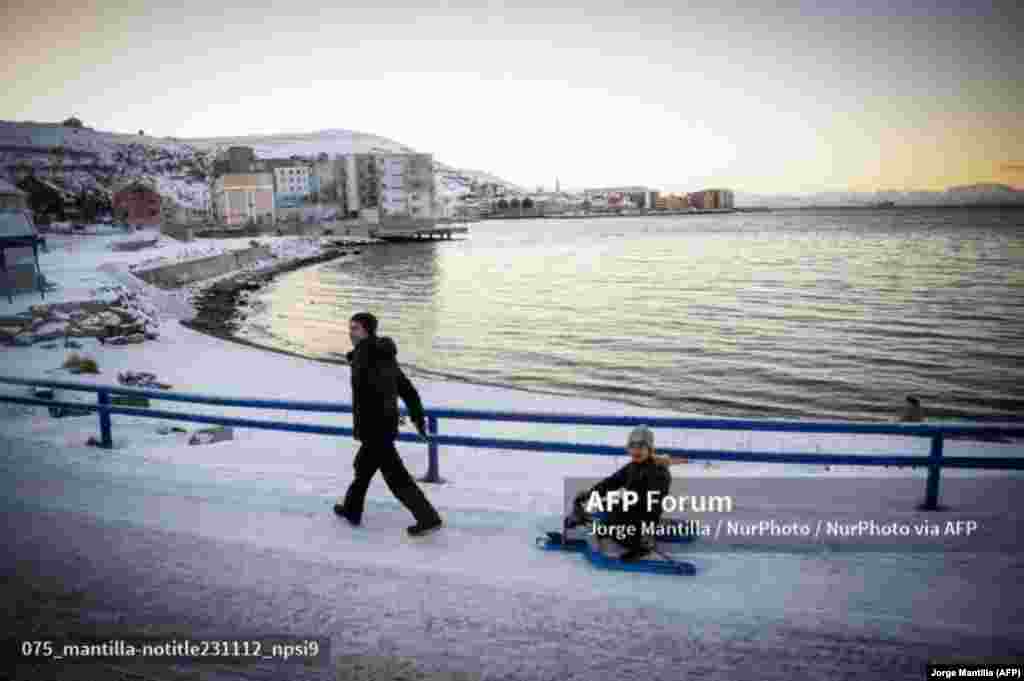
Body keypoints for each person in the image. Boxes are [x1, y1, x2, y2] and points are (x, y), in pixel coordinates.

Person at [334, 312, 443, 537]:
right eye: (350, 327)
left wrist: (409, 418)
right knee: (362, 469)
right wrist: (416, 418)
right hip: (380, 427)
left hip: (377, 429)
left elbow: (383, 392)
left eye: (355, 328)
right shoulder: (377, 354)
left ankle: (428, 517)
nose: (350, 332)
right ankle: (351, 509)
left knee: (395, 477)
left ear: (367, 330)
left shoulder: (368, 355)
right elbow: (406, 389)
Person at [572, 425, 672, 561]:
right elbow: (611, 482)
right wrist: (591, 494)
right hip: (629, 510)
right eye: (633, 447)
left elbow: (652, 502)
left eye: (641, 447)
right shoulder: (632, 467)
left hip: (644, 517)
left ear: (649, 449)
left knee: (612, 520)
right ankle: (599, 526)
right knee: (600, 510)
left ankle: (641, 547)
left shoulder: (658, 471)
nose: (636, 451)